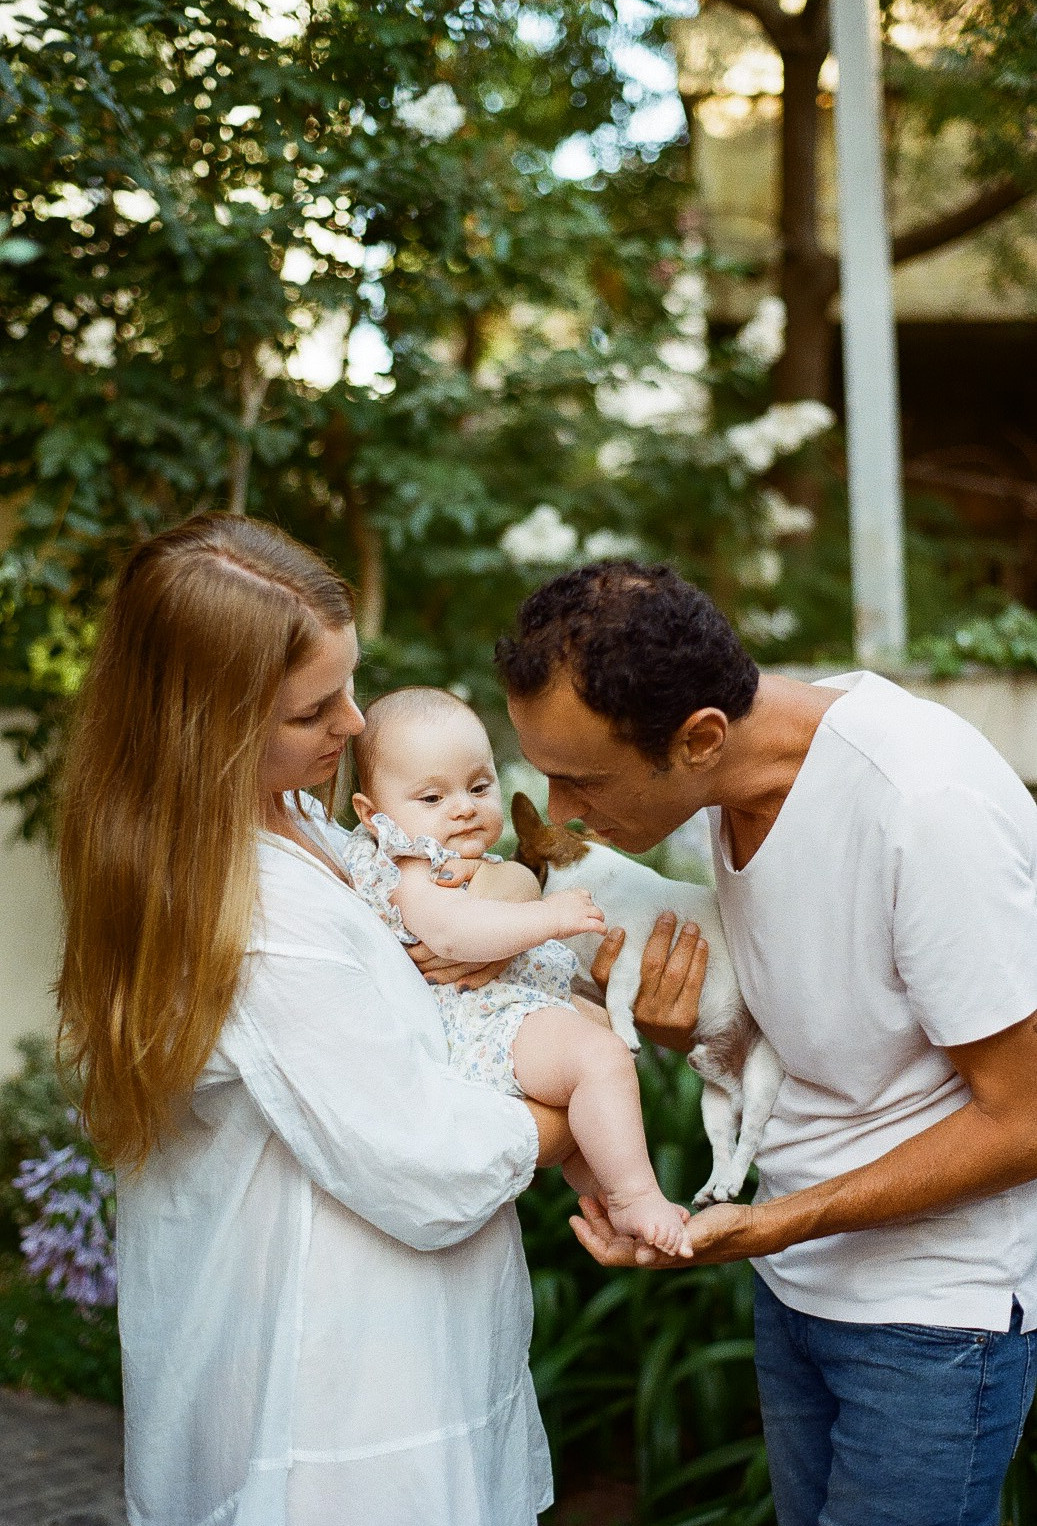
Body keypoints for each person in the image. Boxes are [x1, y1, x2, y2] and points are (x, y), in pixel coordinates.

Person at [55, 514, 703, 1526]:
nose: (356, 725)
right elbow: (424, 1159)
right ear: (215, 721)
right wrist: (581, 1090)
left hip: (404, 1345)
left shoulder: (312, 826)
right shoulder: (254, 914)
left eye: (349, 684)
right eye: (316, 708)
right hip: (336, 1387)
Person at [496, 559, 1037, 1526]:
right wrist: (692, 1041)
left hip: (931, 1318)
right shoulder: (723, 780)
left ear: (700, 736)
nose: (560, 814)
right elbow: (829, 1038)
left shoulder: (922, 806)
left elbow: (1027, 1118)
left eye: (580, 780)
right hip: (794, 1279)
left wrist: (779, 1220)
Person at [344, 685, 695, 1256]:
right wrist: (547, 917)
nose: (462, 807)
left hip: (515, 1003)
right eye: (432, 797)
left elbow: (495, 900)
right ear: (372, 814)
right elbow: (454, 934)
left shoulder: (462, 858)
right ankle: (634, 1195)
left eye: (479, 787)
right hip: (484, 1019)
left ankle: (605, 1192)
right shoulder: (410, 868)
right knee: (599, 1058)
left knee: (605, 1040)